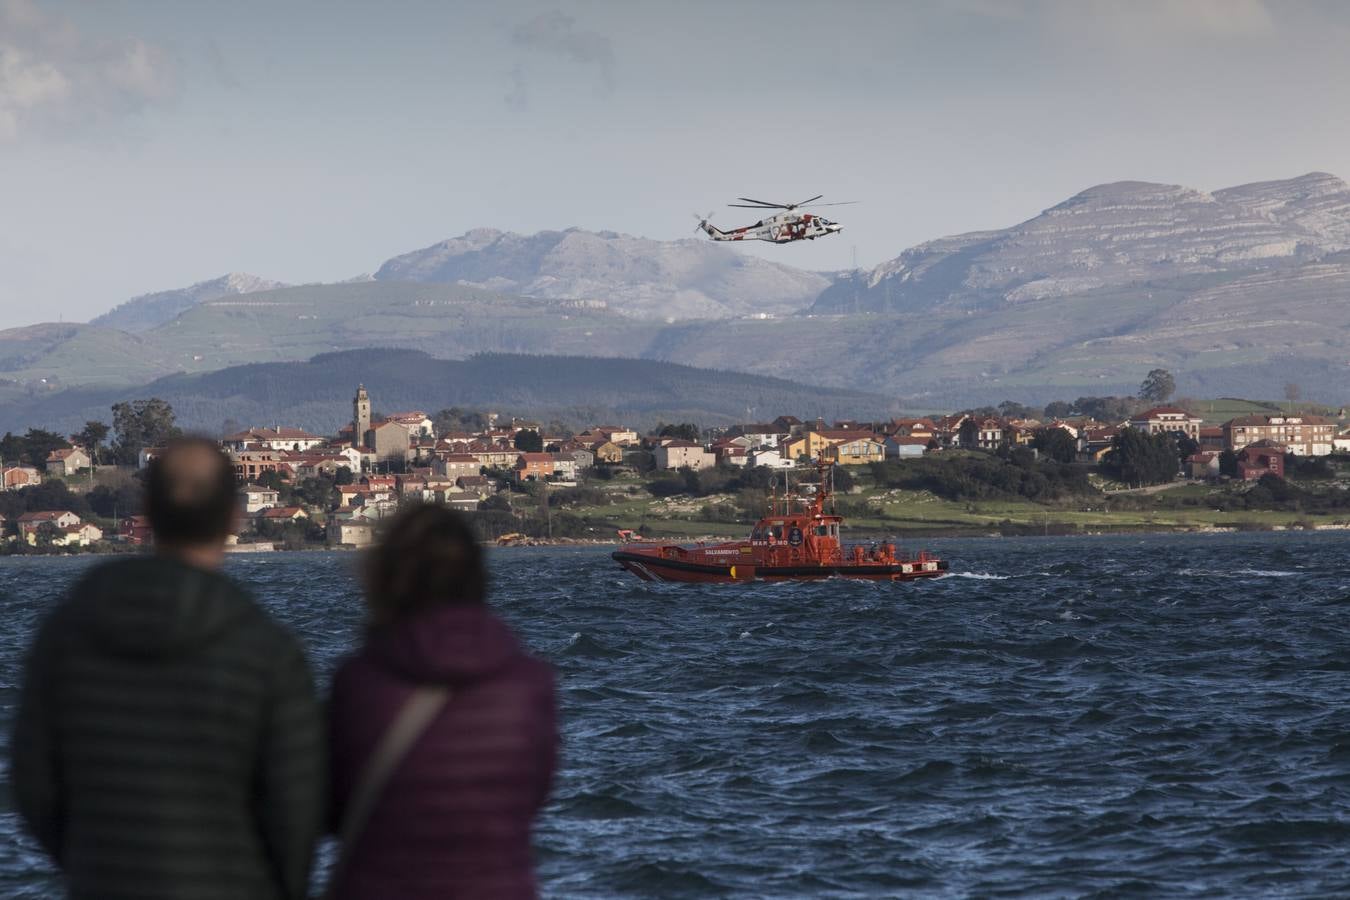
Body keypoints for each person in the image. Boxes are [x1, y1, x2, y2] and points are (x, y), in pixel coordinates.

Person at [10, 436, 324, 900]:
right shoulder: (267, 650)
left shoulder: (67, 632)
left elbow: (34, 783)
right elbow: (296, 807)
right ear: (233, 517)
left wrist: (90, 863)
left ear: (147, 512)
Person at [327, 504, 557, 899]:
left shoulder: (359, 681)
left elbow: (335, 804)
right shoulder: (532, 686)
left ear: (385, 578)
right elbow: (534, 795)